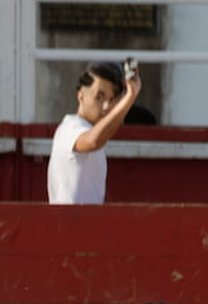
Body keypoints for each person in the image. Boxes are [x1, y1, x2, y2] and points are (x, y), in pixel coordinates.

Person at [47, 61, 142, 205]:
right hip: (69, 224)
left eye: (111, 100)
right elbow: (92, 141)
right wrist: (129, 97)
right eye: (99, 97)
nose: (106, 106)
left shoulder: (87, 130)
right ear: (81, 95)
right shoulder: (70, 128)